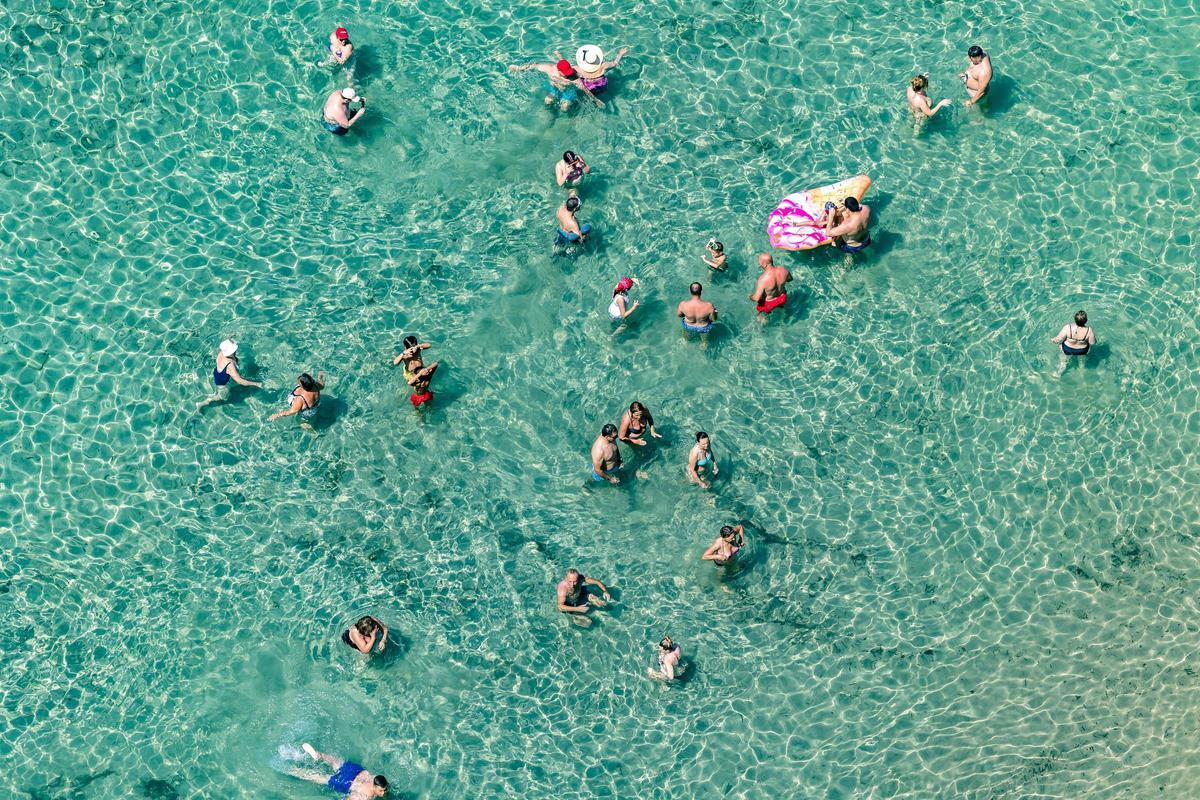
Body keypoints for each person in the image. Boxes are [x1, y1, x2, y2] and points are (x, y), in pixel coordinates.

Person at [285, 743, 388, 798]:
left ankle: (318, 755)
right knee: (322, 778)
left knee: (335, 762)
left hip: (355, 771)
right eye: (380, 791)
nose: (383, 793)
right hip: (346, 782)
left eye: (384, 790)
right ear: (374, 786)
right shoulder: (365, 796)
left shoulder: (377, 779)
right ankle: (295, 771)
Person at [507, 57, 603, 111]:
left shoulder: (574, 77)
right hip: (554, 88)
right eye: (565, 73)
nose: (567, 75)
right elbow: (534, 66)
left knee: (564, 108)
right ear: (558, 70)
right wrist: (518, 68)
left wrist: (596, 100)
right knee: (547, 101)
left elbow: (584, 89)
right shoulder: (549, 68)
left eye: (568, 72)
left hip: (568, 91)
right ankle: (550, 115)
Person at [201, 339, 262, 407]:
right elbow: (240, 381)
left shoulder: (222, 352)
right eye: (234, 349)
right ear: (230, 352)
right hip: (222, 382)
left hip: (218, 373)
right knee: (223, 396)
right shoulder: (230, 364)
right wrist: (257, 384)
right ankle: (203, 403)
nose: (235, 350)